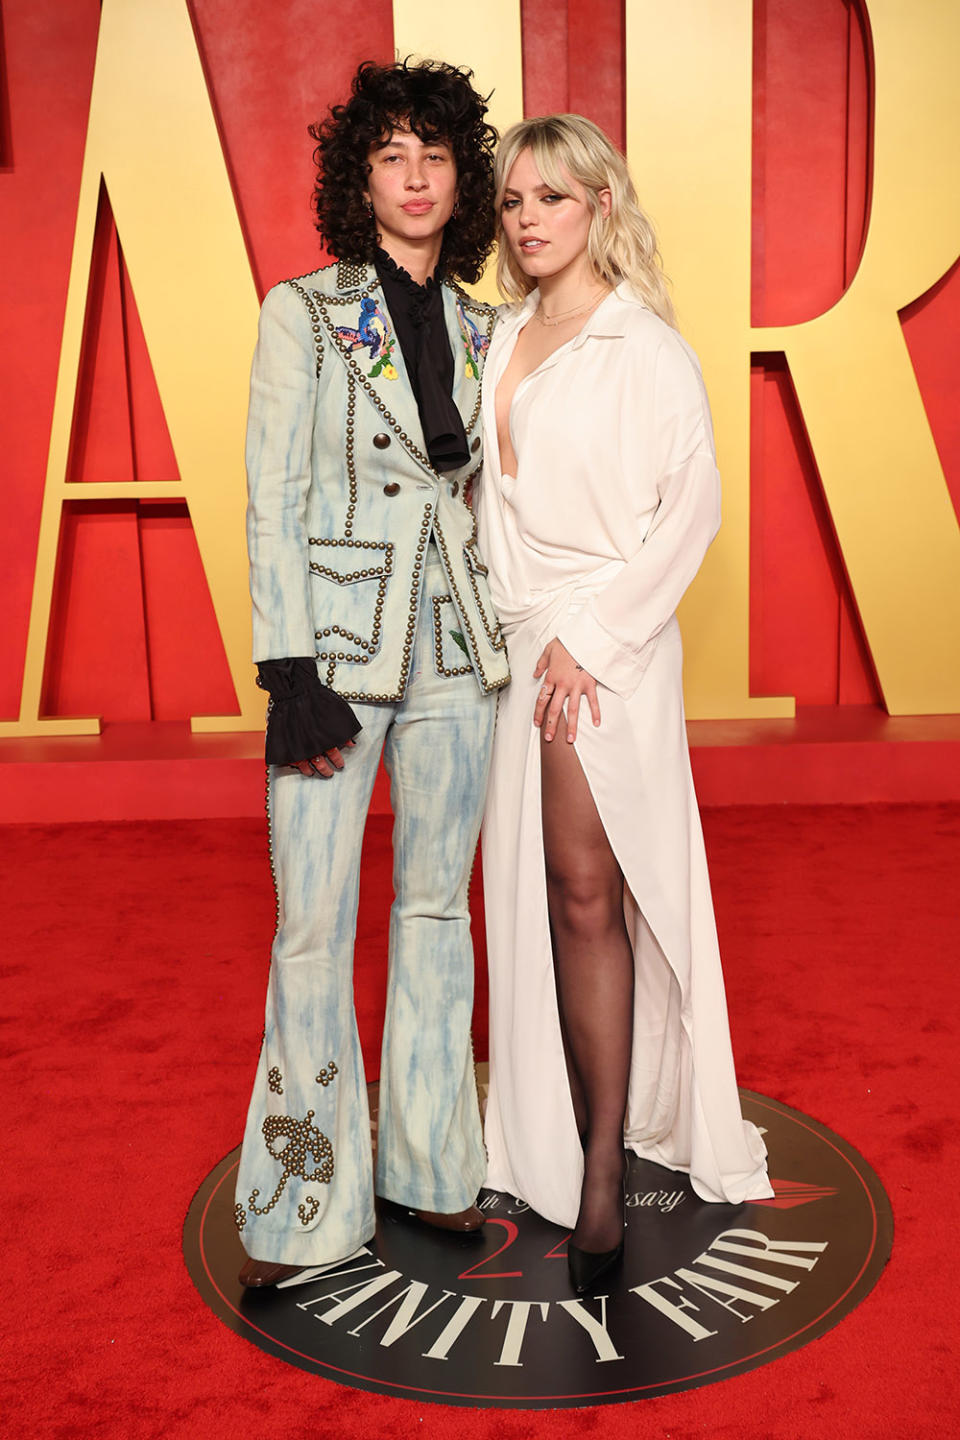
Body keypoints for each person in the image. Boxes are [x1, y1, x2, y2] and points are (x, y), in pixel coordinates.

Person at [477, 114, 772, 1295]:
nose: (528, 217)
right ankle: (554, 1129)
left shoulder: (645, 348)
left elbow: (689, 514)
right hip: (520, 651)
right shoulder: (500, 336)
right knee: (549, 893)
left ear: (601, 203)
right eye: (511, 201)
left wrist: (589, 640)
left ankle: (601, 1161)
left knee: (591, 891)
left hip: (605, 650)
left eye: (552, 195)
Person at [234, 59, 509, 1287]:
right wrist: (287, 664)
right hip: (334, 664)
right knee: (311, 929)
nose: (413, 175)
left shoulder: (488, 329)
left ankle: (431, 1166)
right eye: (391, 154)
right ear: (363, 178)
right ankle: (301, 1211)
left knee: (439, 915)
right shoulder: (301, 311)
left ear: (463, 182)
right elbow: (273, 497)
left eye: (435, 156)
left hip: (459, 652)